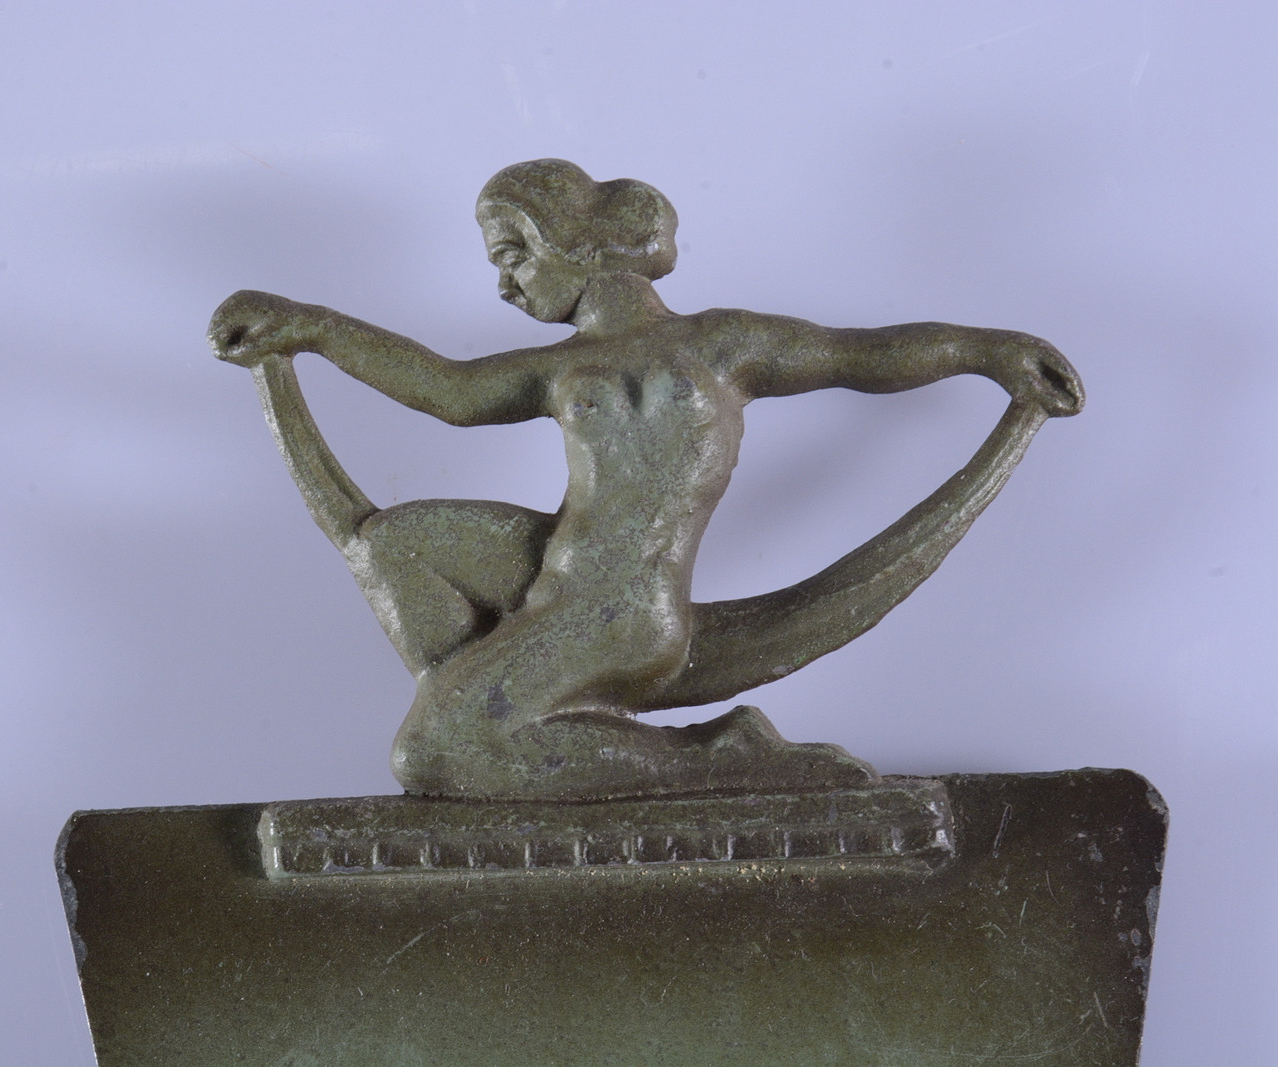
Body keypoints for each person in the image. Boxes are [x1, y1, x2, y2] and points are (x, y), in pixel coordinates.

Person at [209, 159, 1082, 801]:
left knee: (427, 753)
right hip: (557, 583)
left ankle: (709, 759)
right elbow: (446, 389)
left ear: (577, 245)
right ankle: (502, 723)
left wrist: (989, 351)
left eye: (514, 254)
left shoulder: (721, 343)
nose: (504, 284)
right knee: (391, 545)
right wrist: (308, 328)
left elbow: (860, 355)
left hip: (621, 613)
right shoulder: (559, 366)